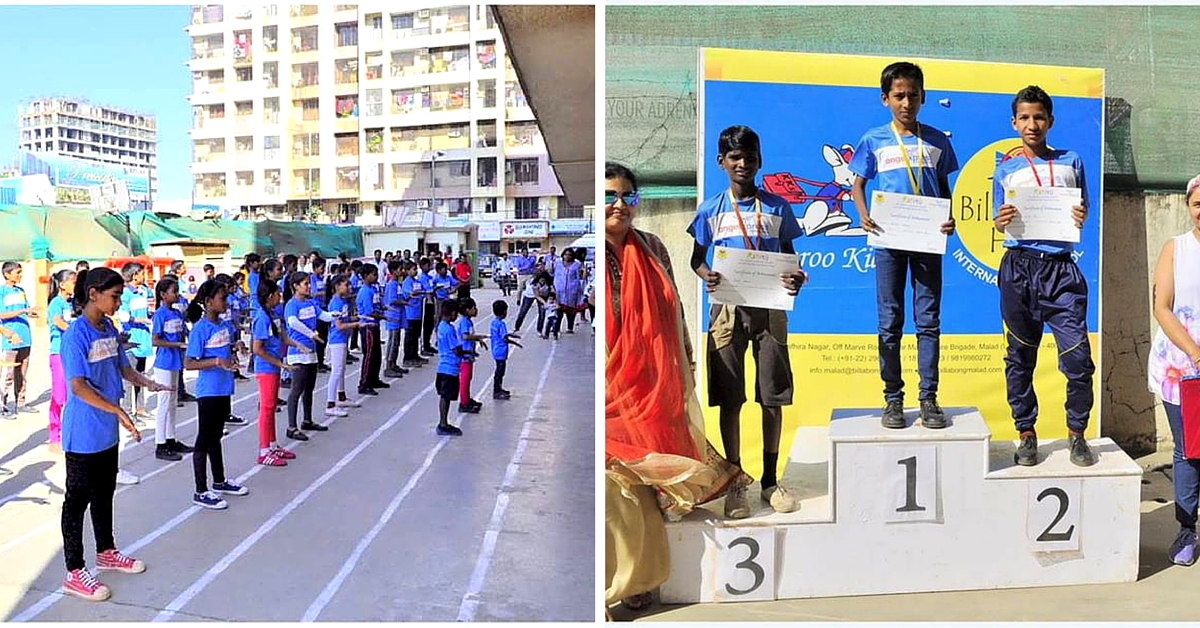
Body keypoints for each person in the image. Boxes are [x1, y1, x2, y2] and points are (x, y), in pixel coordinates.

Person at [605, 162, 746, 611]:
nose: (620, 204)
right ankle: (618, 583)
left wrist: (684, 363)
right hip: (606, 396)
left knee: (655, 477)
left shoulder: (653, 247)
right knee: (618, 487)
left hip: (654, 387)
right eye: (611, 194)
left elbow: (675, 310)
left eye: (629, 196)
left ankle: (637, 580)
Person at [688, 126, 806, 518]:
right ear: (721, 162)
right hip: (728, 310)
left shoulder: (777, 208)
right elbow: (696, 260)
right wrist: (707, 276)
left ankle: (770, 481)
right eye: (734, 157)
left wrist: (796, 278)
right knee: (731, 398)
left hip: (770, 311)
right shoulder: (710, 210)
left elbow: (789, 259)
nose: (743, 163)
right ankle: (736, 481)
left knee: (772, 396)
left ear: (760, 161)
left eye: (750, 156)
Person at [849, 61, 958, 430]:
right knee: (889, 321)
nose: (906, 103)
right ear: (885, 99)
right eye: (899, 96)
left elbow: (944, 187)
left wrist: (949, 216)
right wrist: (864, 215)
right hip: (888, 239)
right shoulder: (874, 139)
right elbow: (857, 184)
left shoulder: (938, 140)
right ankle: (893, 399)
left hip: (927, 239)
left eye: (913, 95)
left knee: (928, 321)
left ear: (923, 97)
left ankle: (928, 398)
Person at [992, 85, 1095, 467]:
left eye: (1039, 117)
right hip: (1018, 268)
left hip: (1061, 270)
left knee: (1079, 359)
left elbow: (1082, 207)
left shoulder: (1072, 161)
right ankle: (1026, 432)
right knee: (1020, 356)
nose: (1032, 124)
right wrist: (999, 219)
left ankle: (1077, 433)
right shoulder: (1005, 169)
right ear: (1014, 122)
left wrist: (1081, 215)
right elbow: (998, 218)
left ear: (1050, 121)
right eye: (1024, 118)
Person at [59, 267, 166, 601]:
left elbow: (123, 368)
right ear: (93, 294)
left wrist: (147, 383)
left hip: (107, 432)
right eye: (115, 296)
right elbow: (77, 386)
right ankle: (74, 571)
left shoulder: (108, 327)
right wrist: (118, 410)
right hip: (84, 432)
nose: (120, 302)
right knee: (77, 500)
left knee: (104, 492)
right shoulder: (75, 334)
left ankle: (106, 551)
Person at [1149, 173, 1200, 565]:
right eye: (1198, 203)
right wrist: (1196, 355)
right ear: (1188, 207)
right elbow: (1162, 307)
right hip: (1182, 370)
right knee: (1188, 451)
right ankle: (1186, 530)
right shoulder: (1175, 249)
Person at [185, 280, 249, 510]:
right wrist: (216, 361)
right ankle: (200, 490)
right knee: (204, 439)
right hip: (209, 391)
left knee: (215, 437)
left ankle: (220, 481)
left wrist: (237, 346)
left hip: (224, 388)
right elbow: (189, 363)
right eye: (222, 298)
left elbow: (227, 346)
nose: (226, 301)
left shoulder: (223, 325)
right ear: (209, 302)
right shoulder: (200, 329)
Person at [251, 279, 296, 465]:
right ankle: (263, 451)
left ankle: (272, 444)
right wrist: (279, 363)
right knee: (267, 409)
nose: (280, 296)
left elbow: (283, 336)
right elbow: (257, 348)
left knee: (271, 409)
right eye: (278, 294)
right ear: (270, 297)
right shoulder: (262, 317)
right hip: (266, 368)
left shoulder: (274, 314)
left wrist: (298, 344)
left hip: (274, 366)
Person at [284, 271, 335, 439]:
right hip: (298, 352)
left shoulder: (311, 303)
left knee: (309, 388)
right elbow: (293, 322)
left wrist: (335, 315)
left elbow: (324, 316)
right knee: (296, 389)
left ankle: (307, 420)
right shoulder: (292, 304)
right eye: (305, 283)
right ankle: (291, 427)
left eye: (308, 283)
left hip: (311, 351)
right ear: (296, 286)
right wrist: (310, 334)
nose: (308, 286)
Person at [150, 277, 193, 461]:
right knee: (164, 402)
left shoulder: (177, 314)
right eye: (173, 291)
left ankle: (171, 438)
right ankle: (160, 444)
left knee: (173, 402)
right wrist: (175, 343)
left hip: (176, 361)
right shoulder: (160, 314)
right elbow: (155, 339)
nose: (176, 294)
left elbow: (185, 331)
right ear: (162, 294)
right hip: (164, 362)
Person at [0, 261, 39, 418]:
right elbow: (1, 314)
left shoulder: (21, 291)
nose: (20, 275)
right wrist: (22, 310)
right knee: (7, 374)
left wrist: (31, 313)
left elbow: (26, 309)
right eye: (17, 272)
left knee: (21, 373)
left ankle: (20, 402)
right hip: (9, 339)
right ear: (7, 274)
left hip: (25, 337)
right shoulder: (2, 292)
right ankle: (2, 405)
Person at [118, 262, 153, 422]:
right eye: (141, 273)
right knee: (129, 378)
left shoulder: (144, 291)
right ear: (134, 275)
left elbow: (149, 310)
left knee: (141, 375)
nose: (144, 276)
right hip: (131, 340)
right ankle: (126, 411)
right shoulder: (125, 294)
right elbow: (123, 315)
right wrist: (140, 319)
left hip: (143, 339)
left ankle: (140, 408)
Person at [324, 275, 362, 418]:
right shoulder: (335, 303)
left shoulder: (343, 301)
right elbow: (339, 325)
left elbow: (344, 318)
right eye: (346, 285)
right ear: (337, 286)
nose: (349, 288)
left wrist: (357, 318)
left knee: (342, 369)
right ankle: (330, 404)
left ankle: (341, 396)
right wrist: (357, 324)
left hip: (344, 337)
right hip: (337, 339)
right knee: (337, 370)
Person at [47, 269, 76, 452]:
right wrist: (72, 331)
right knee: (59, 396)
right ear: (63, 284)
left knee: (72, 394)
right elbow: (57, 321)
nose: (75, 284)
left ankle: (69, 432)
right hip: (58, 353)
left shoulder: (71, 304)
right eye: (72, 281)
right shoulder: (56, 304)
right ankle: (54, 437)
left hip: (71, 353)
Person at [356, 264, 389, 396]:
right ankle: (364, 383)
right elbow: (369, 311)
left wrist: (383, 309)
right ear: (365, 276)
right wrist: (383, 316)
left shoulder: (373, 289)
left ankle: (374, 378)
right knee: (369, 355)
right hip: (368, 326)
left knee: (376, 354)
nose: (376, 277)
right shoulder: (364, 291)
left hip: (375, 325)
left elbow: (377, 305)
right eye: (373, 274)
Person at [434, 299, 465, 436]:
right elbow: (456, 349)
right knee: (446, 397)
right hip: (450, 367)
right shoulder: (449, 329)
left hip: (442, 367)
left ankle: (443, 422)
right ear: (452, 313)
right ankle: (443, 423)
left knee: (444, 396)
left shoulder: (440, 326)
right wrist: (466, 353)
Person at [456, 297, 486, 413]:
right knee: (464, 378)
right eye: (474, 308)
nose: (476, 310)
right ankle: (463, 403)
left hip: (469, 354)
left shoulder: (468, 321)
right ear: (467, 310)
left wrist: (478, 340)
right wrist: (479, 337)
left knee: (468, 378)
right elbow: (465, 336)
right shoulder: (464, 321)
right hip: (465, 354)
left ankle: (467, 399)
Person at [382, 261, 409, 379]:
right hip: (393, 316)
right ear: (393, 271)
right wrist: (404, 302)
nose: (401, 271)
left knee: (397, 341)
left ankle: (393, 363)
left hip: (398, 316)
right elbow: (392, 300)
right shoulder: (392, 284)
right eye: (399, 269)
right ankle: (388, 366)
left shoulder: (397, 284)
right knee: (392, 342)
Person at [490, 300, 522, 399]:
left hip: (495, 350)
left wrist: (511, 335)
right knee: (500, 372)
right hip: (501, 351)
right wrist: (515, 343)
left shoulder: (493, 322)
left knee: (499, 371)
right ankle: (497, 391)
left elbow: (501, 335)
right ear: (504, 312)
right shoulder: (502, 324)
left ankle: (499, 388)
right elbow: (504, 338)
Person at [401, 261, 429, 368]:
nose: (415, 271)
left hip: (418, 311)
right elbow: (410, 293)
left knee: (416, 334)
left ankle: (415, 355)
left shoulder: (417, 281)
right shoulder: (407, 282)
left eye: (416, 269)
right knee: (410, 336)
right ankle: (408, 357)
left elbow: (424, 289)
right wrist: (420, 292)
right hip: (410, 313)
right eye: (413, 269)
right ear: (407, 271)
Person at [552, 249, 585, 333]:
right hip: (559, 290)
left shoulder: (576, 265)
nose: (567, 256)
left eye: (569, 255)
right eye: (566, 254)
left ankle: (570, 327)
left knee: (571, 310)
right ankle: (557, 327)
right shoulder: (558, 264)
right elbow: (554, 275)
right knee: (559, 310)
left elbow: (579, 277)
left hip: (572, 290)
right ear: (563, 255)